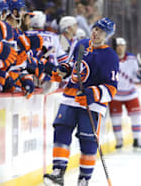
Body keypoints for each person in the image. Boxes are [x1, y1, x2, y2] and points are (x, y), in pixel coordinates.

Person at [43, 18, 119, 186]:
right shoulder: (81, 44)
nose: (95, 33)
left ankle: (84, 180)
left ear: (107, 35)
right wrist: (63, 70)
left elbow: (112, 88)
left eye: (100, 31)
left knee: (88, 142)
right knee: (61, 129)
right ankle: (58, 172)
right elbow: (72, 65)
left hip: (91, 106)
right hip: (70, 98)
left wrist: (92, 94)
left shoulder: (110, 57)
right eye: (95, 29)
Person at [109, 37, 141, 149]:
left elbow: (136, 77)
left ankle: (137, 139)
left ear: (125, 46)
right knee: (115, 118)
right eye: (118, 46)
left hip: (130, 93)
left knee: (136, 116)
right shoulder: (110, 58)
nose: (120, 48)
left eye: (122, 45)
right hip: (115, 94)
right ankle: (119, 140)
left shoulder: (132, 59)